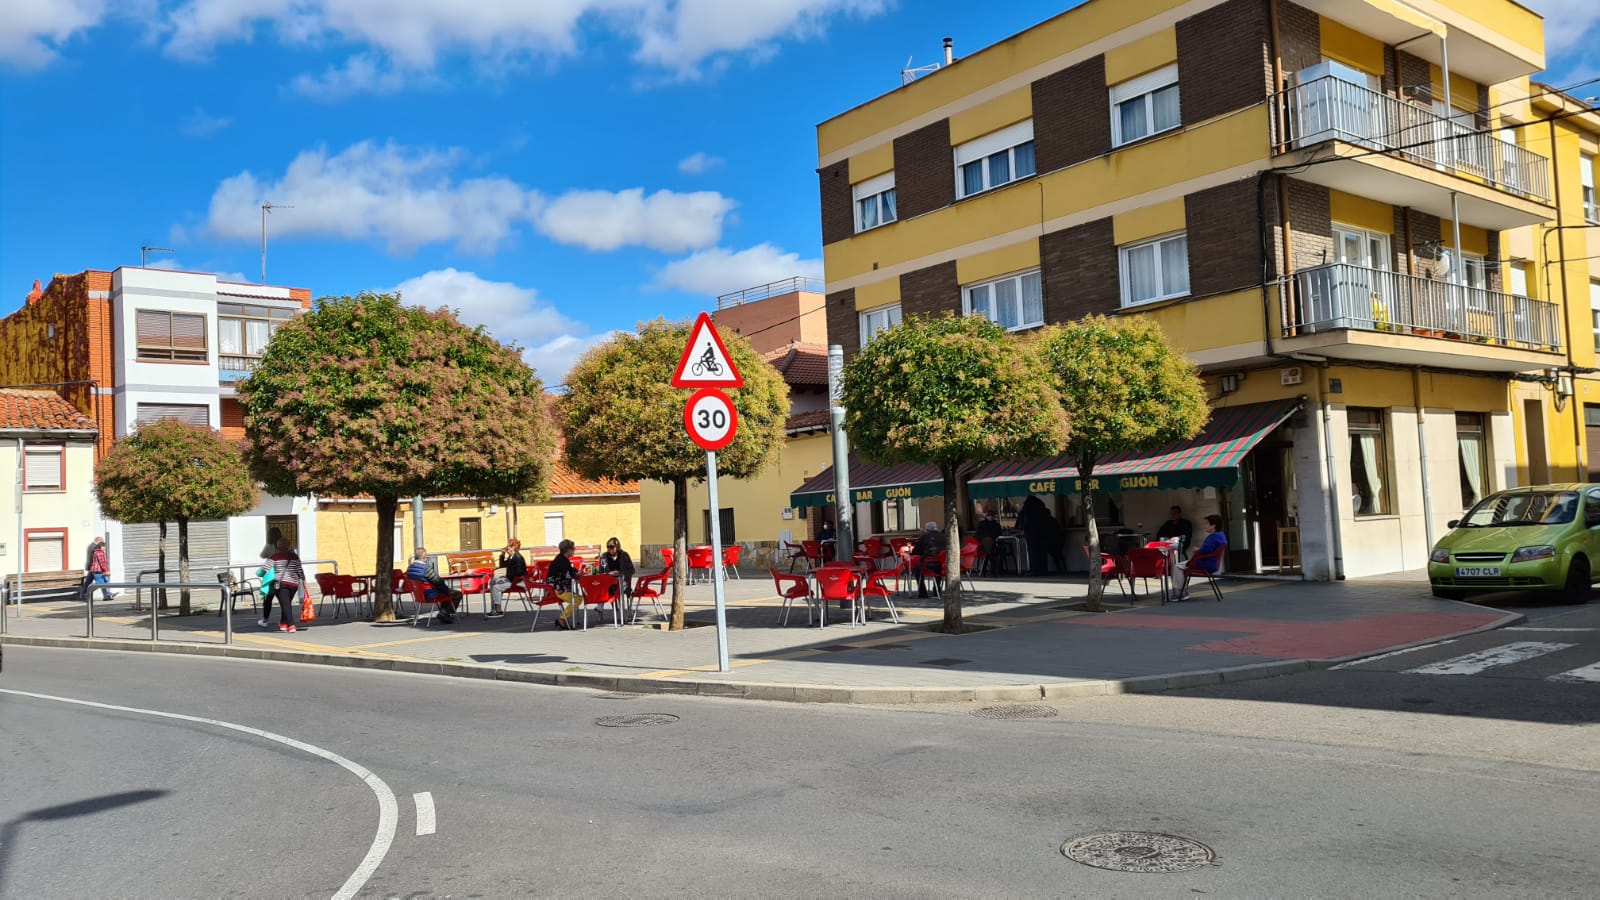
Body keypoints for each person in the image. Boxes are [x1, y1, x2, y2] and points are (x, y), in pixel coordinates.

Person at [1173, 515, 1227, 602]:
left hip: (1204, 563)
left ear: (1213, 526)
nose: (1205, 525)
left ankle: (1180, 593)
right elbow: (1209, 550)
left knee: (1177, 566)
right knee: (1182, 566)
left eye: (1207, 523)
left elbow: (1204, 551)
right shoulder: (1221, 535)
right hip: (1212, 562)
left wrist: (1196, 551)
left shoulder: (1213, 538)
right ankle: (1182, 591)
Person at [405, 547, 460, 625]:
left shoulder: (409, 568)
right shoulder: (426, 568)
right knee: (457, 594)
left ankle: (444, 613)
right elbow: (438, 581)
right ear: (424, 557)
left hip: (419, 595)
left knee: (445, 592)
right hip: (430, 594)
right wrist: (447, 590)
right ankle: (444, 613)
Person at [1017, 495, 1064, 576]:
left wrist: (1023, 527)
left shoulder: (1028, 506)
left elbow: (1026, 520)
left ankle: (1035, 571)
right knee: (1041, 552)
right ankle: (1043, 570)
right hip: (1043, 533)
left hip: (1032, 532)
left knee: (1033, 551)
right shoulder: (1040, 505)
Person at [268, 537, 308, 633]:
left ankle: (291, 625)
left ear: (278, 546)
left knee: (285, 604)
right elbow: (299, 570)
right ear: (288, 546)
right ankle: (283, 623)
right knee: (286, 603)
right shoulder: (294, 557)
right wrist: (303, 579)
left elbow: (265, 569)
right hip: (294, 584)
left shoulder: (274, 557)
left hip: (281, 584)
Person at [486, 538, 527, 619]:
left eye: (508, 546)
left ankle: (498, 610)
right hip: (511, 579)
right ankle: (494, 608)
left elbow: (518, 572)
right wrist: (502, 555)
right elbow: (503, 566)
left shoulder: (518, 558)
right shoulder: (511, 557)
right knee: (493, 581)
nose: (507, 548)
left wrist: (505, 578)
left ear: (513, 547)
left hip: (516, 582)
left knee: (496, 587)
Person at [548, 540, 580, 630]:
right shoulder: (562, 560)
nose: (574, 551)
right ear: (568, 550)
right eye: (573, 549)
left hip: (557, 587)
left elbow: (569, 570)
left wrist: (575, 571)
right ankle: (562, 619)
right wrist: (578, 573)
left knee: (578, 598)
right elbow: (570, 573)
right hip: (557, 589)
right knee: (577, 600)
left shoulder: (561, 558)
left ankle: (563, 618)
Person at [912, 522, 948, 598]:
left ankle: (922, 592)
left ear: (927, 529)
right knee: (938, 568)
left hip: (927, 564)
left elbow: (916, 551)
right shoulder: (944, 536)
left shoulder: (924, 537)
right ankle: (937, 589)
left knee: (917, 568)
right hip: (943, 564)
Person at [600, 537, 635, 609]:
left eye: (611, 547)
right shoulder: (604, 556)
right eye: (608, 547)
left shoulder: (624, 555)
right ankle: (600, 606)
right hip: (609, 582)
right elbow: (600, 571)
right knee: (600, 587)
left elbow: (632, 570)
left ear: (617, 547)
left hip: (622, 582)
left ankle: (613, 607)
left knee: (617, 584)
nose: (609, 549)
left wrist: (621, 573)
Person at [80, 536, 117, 601]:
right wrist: (104, 569)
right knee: (100, 582)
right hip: (95, 568)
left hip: (93, 567)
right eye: (102, 543)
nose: (103, 545)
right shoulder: (94, 547)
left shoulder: (92, 546)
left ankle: (106, 595)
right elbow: (96, 559)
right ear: (99, 541)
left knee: (101, 581)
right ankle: (85, 595)